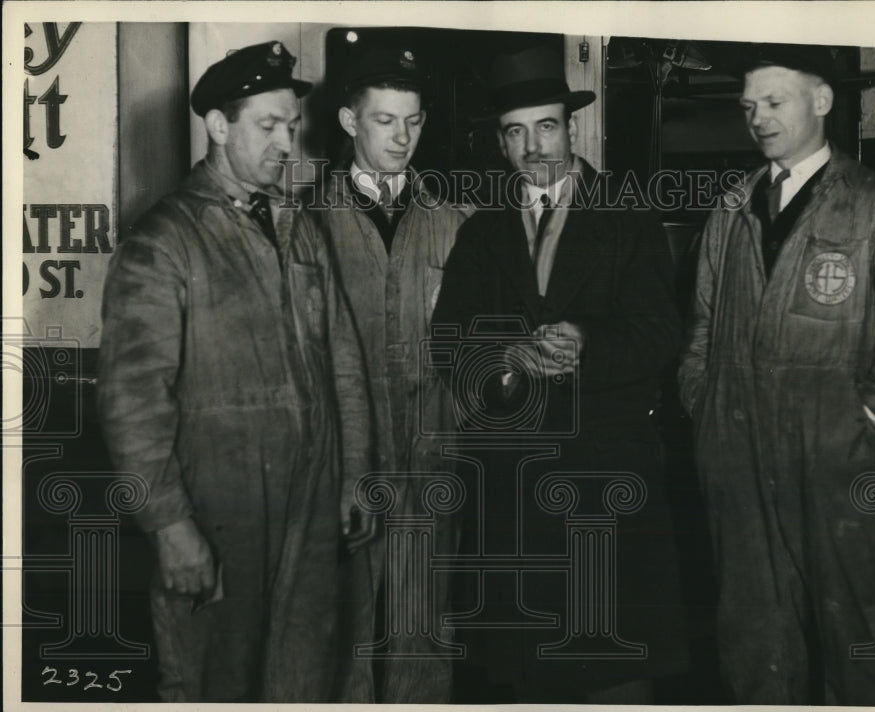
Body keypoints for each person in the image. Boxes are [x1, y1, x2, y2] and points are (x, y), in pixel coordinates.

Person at [97, 40, 372, 702]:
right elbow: (132, 400)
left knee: (303, 681)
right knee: (209, 683)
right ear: (219, 127)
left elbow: (344, 361)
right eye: (268, 125)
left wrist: (356, 476)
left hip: (310, 510)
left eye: (291, 125)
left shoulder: (300, 228)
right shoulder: (164, 240)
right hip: (217, 511)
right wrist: (168, 525)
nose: (286, 142)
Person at [678, 43, 875, 705]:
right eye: (749, 107)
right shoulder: (731, 209)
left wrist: (865, 420)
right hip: (737, 460)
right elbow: (702, 333)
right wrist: (707, 411)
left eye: (774, 102)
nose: (758, 119)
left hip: (836, 465)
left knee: (852, 637)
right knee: (753, 643)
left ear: (821, 100)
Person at [431, 46, 690, 704]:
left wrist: (589, 346)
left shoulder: (627, 218)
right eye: (515, 131)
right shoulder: (482, 232)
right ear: (500, 141)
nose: (532, 145)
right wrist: (506, 359)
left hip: (607, 477)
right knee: (527, 668)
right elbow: (448, 344)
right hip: (514, 487)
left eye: (545, 126)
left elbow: (663, 332)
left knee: (613, 665)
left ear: (570, 130)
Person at [320, 43, 469, 703]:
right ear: (352, 122)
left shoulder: (454, 224)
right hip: (338, 458)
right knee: (333, 629)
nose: (402, 137)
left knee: (423, 627)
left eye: (413, 121)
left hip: (431, 457)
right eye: (385, 121)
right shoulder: (304, 224)